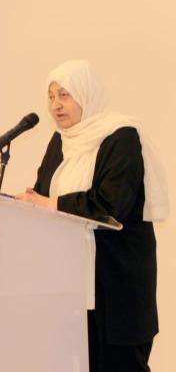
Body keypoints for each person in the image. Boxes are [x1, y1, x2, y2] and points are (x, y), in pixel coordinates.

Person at [15, 60, 169, 372]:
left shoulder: (122, 137)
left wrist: (48, 203)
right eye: (51, 96)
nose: (56, 105)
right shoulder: (60, 141)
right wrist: (31, 202)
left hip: (116, 286)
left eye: (65, 95)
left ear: (87, 94)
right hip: (71, 289)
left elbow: (111, 205)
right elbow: (44, 193)